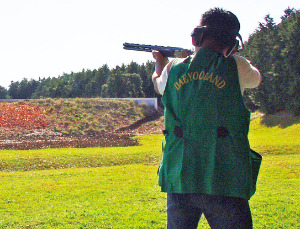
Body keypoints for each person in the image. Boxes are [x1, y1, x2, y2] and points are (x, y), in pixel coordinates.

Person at [152, 7, 262, 229]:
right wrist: (230, 56)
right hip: (225, 178)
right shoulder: (237, 65)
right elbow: (257, 79)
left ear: (197, 36)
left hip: (180, 176)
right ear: (232, 44)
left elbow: (157, 83)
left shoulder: (172, 68)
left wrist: (159, 62)